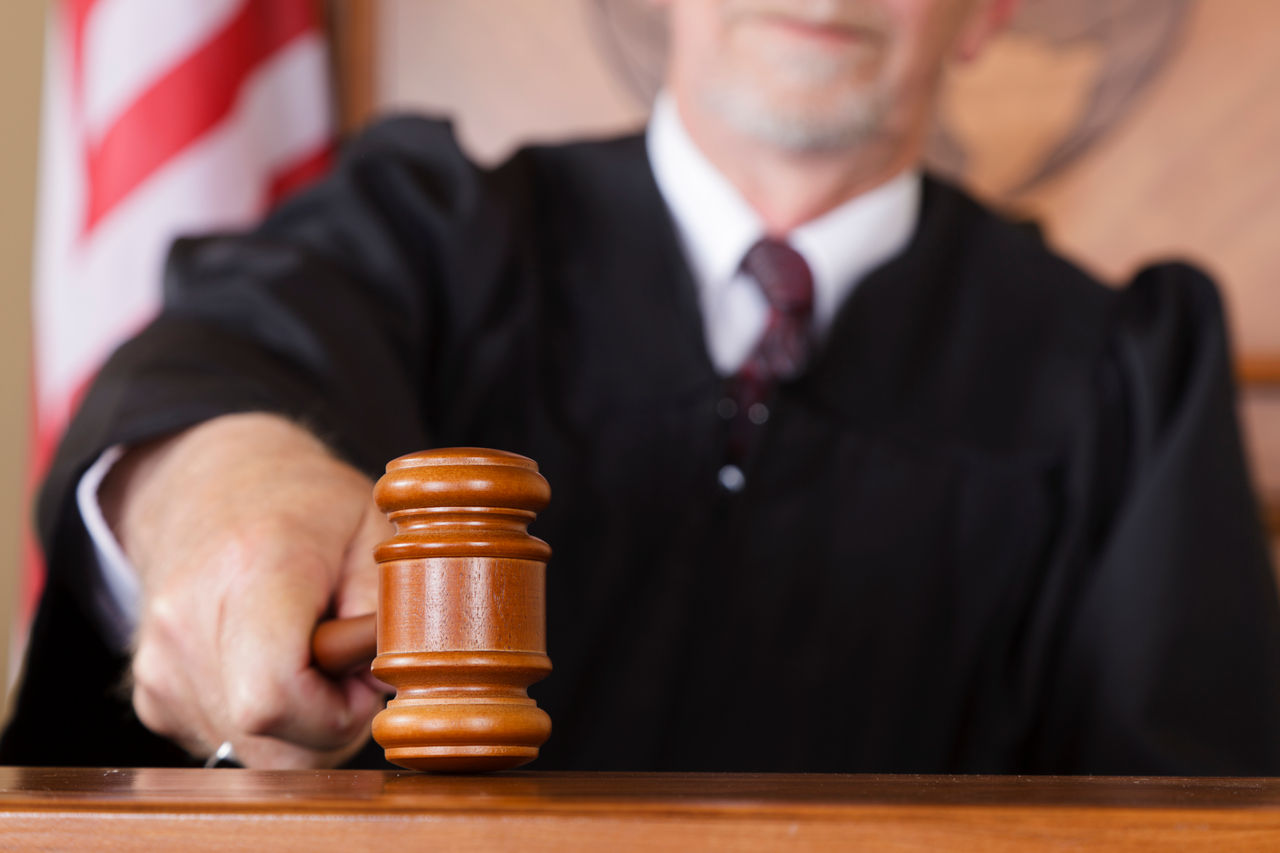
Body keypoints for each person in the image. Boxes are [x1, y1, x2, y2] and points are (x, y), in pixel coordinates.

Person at [4, 0, 1279, 773]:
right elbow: (218, 360)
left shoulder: (1121, 367)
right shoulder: (431, 233)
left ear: (988, 11)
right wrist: (227, 491)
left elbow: (1183, 797)